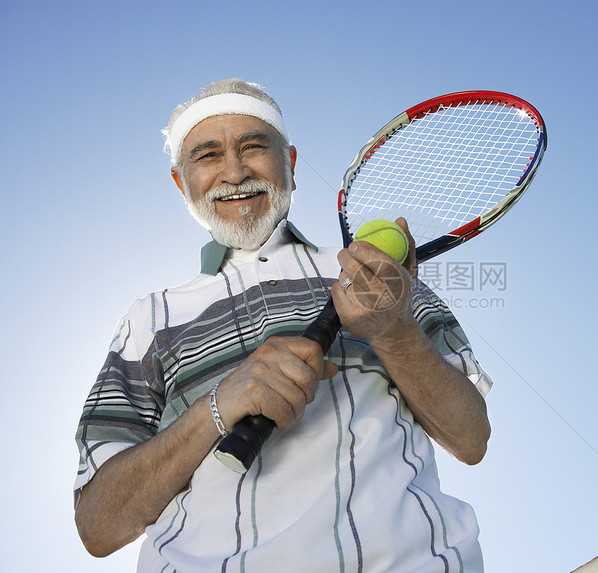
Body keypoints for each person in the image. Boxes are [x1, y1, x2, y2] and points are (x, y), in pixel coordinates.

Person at [74, 79, 493, 572]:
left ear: (289, 164)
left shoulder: (381, 279)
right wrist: (218, 407)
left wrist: (393, 332)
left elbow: (470, 437)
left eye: (253, 147)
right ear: (180, 182)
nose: (234, 171)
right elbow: (99, 524)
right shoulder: (149, 317)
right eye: (208, 155)